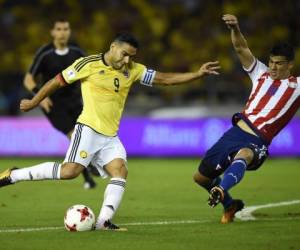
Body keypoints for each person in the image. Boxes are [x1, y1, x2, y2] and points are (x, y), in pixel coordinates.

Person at [0, 32, 220, 231]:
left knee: (120, 171)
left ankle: (104, 221)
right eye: (124, 54)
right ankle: (14, 175)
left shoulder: (133, 70)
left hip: (110, 136)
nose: (127, 60)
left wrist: (197, 74)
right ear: (113, 46)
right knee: (69, 172)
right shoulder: (88, 64)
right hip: (87, 129)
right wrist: (34, 101)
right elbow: (56, 82)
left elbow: (165, 79)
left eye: (131, 56)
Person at [193, 14, 300, 224]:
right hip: (234, 133)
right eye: (271, 62)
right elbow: (241, 49)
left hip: (258, 140)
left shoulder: (297, 86)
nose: (273, 67)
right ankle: (230, 204)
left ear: (290, 65)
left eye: (279, 63)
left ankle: (221, 190)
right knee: (200, 177)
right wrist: (235, 28)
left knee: (244, 155)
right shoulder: (260, 74)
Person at [23, 18, 96, 189]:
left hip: (75, 102)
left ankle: (88, 178)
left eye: (66, 29)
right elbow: (28, 79)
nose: (62, 32)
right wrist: (39, 97)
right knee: (73, 134)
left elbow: (91, 74)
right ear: (52, 32)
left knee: (81, 136)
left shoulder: (77, 52)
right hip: (53, 104)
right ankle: (90, 166)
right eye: (59, 29)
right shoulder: (45, 53)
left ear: (69, 32)